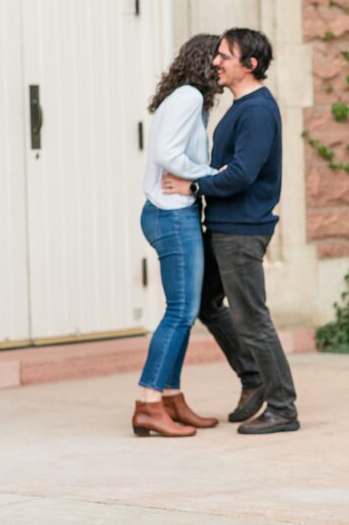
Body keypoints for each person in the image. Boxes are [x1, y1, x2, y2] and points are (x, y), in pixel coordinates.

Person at [163, 27, 299, 435]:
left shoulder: (257, 110)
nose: (216, 62)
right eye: (217, 54)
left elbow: (241, 174)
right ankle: (253, 378)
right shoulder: (241, 106)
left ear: (250, 65)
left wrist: (194, 185)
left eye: (225, 56)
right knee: (205, 302)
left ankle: (283, 407)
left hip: (242, 230)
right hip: (224, 225)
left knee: (253, 318)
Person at [133, 34, 224, 437]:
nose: (223, 65)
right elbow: (168, 154)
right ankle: (148, 401)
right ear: (205, 60)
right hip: (172, 215)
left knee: (182, 313)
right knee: (181, 313)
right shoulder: (188, 97)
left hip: (168, 214)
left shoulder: (185, 97)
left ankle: (170, 396)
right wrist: (208, 176)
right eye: (219, 57)